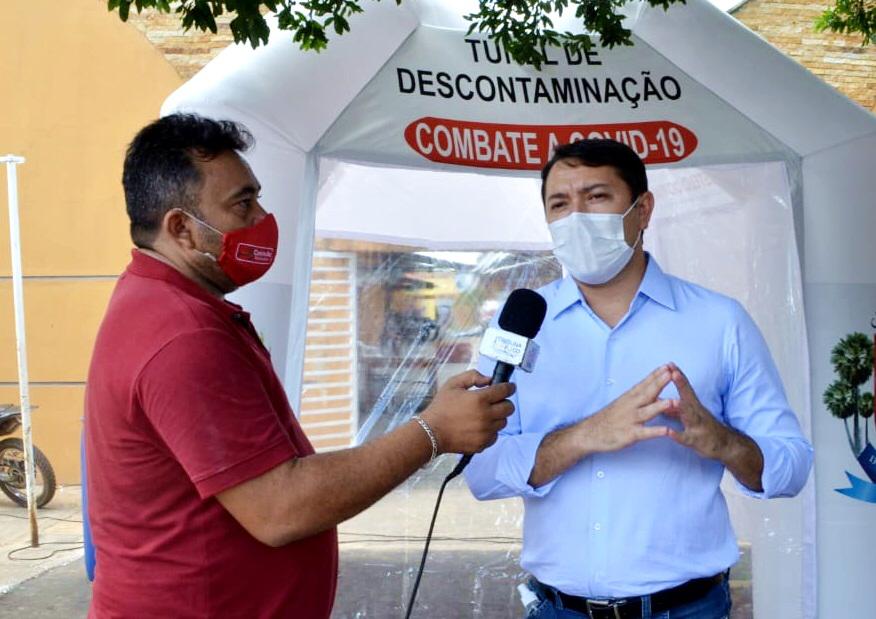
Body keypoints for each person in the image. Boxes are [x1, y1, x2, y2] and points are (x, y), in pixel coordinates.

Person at [83, 113, 515, 618]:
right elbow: (279, 508)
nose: (261, 218)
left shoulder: (164, 304)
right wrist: (432, 432)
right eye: (242, 203)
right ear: (182, 228)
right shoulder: (183, 334)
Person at [464, 139, 813, 619]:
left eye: (597, 197)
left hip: (688, 609)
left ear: (643, 209)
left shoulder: (719, 322)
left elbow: (792, 465)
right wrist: (586, 436)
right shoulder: (518, 326)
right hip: (558, 610)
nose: (577, 216)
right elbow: (481, 473)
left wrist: (723, 441)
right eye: (559, 204)